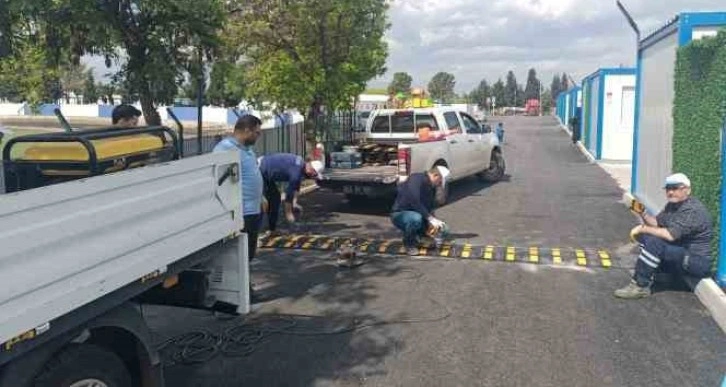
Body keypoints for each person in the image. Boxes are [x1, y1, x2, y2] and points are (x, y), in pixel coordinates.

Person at [614, 173, 713, 299]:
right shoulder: (672, 206)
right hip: (681, 253)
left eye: (675, 188)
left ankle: (639, 286)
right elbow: (657, 224)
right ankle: (664, 274)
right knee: (646, 237)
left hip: (696, 261)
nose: (671, 192)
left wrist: (642, 227)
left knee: (656, 242)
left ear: (687, 190)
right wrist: (642, 212)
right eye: (668, 189)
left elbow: (670, 235)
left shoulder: (692, 210)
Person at [212, 115, 263, 299]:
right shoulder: (225, 149)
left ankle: (244, 289)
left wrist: (261, 196)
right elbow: (219, 182)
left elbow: (251, 174)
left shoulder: (247, 150)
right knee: (237, 256)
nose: (258, 136)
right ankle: (234, 295)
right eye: (256, 132)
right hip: (240, 211)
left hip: (254, 209)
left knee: (248, 253)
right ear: (247, 130)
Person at [390, 166, 450, 256]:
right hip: (401, 214)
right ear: (436, 175)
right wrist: (429, 218)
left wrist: (434, 222)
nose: (440, 183)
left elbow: (430, 207)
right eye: (440, 181)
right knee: (415, 218)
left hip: (421, 216)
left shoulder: (431, 187)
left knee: (444, 229)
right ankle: (409, 244)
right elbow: (414, 200)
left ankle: (421, 237)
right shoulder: (416, 178)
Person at [258, 153, 324, 234]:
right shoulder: (296, 172)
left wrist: (294, 203)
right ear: (311, 170)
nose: (312, 177)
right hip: (260, 170)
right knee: (261, 203)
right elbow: (288, 194)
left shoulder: (300, 166)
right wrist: (289, 213)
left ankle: (272, 230)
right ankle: (256, 235)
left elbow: (296, 188)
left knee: (275, 199)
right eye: (314, 175)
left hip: (266, 174)